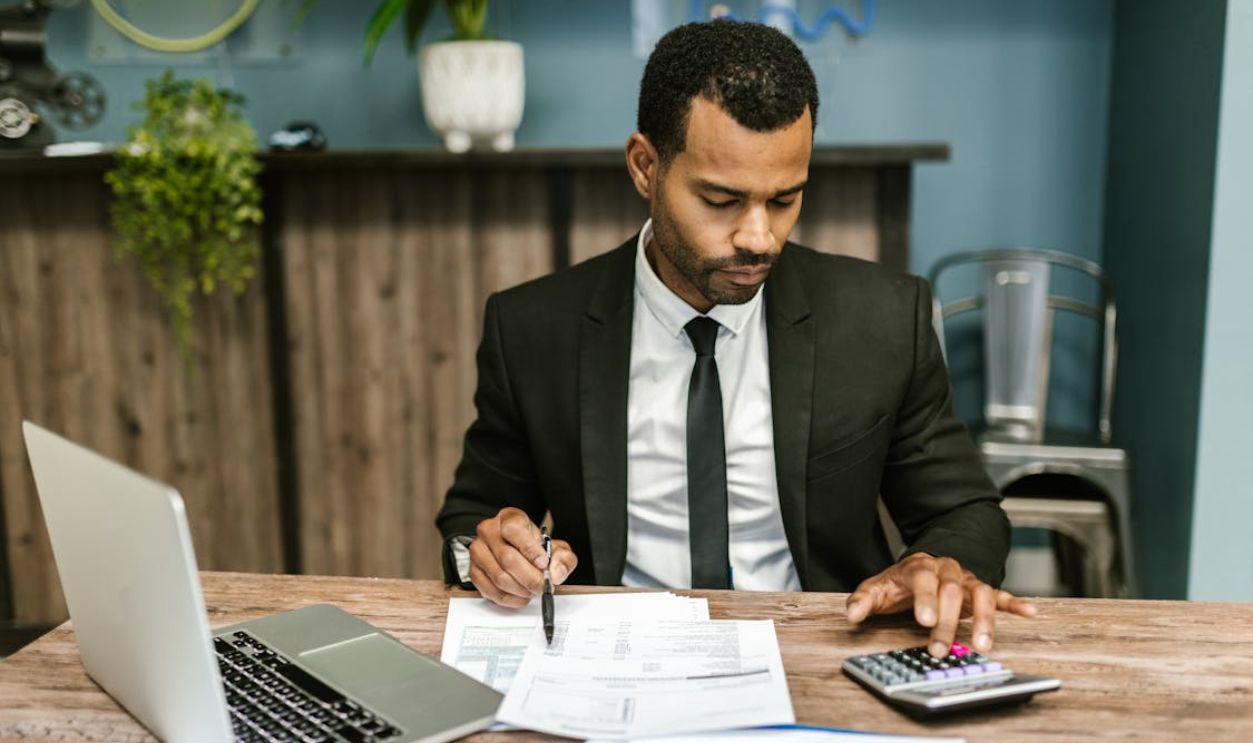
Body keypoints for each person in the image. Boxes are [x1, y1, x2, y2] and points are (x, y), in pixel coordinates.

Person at [436, 19, 1034, 658]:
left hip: (821, 651)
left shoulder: (884, 319)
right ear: (645, 166)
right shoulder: (533, 328)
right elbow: (472, 521)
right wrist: (488, 554)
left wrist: (939, 562)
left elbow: (965, 512)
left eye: (784, 199)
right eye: (721, 199)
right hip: (610, 658)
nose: (758, 237)